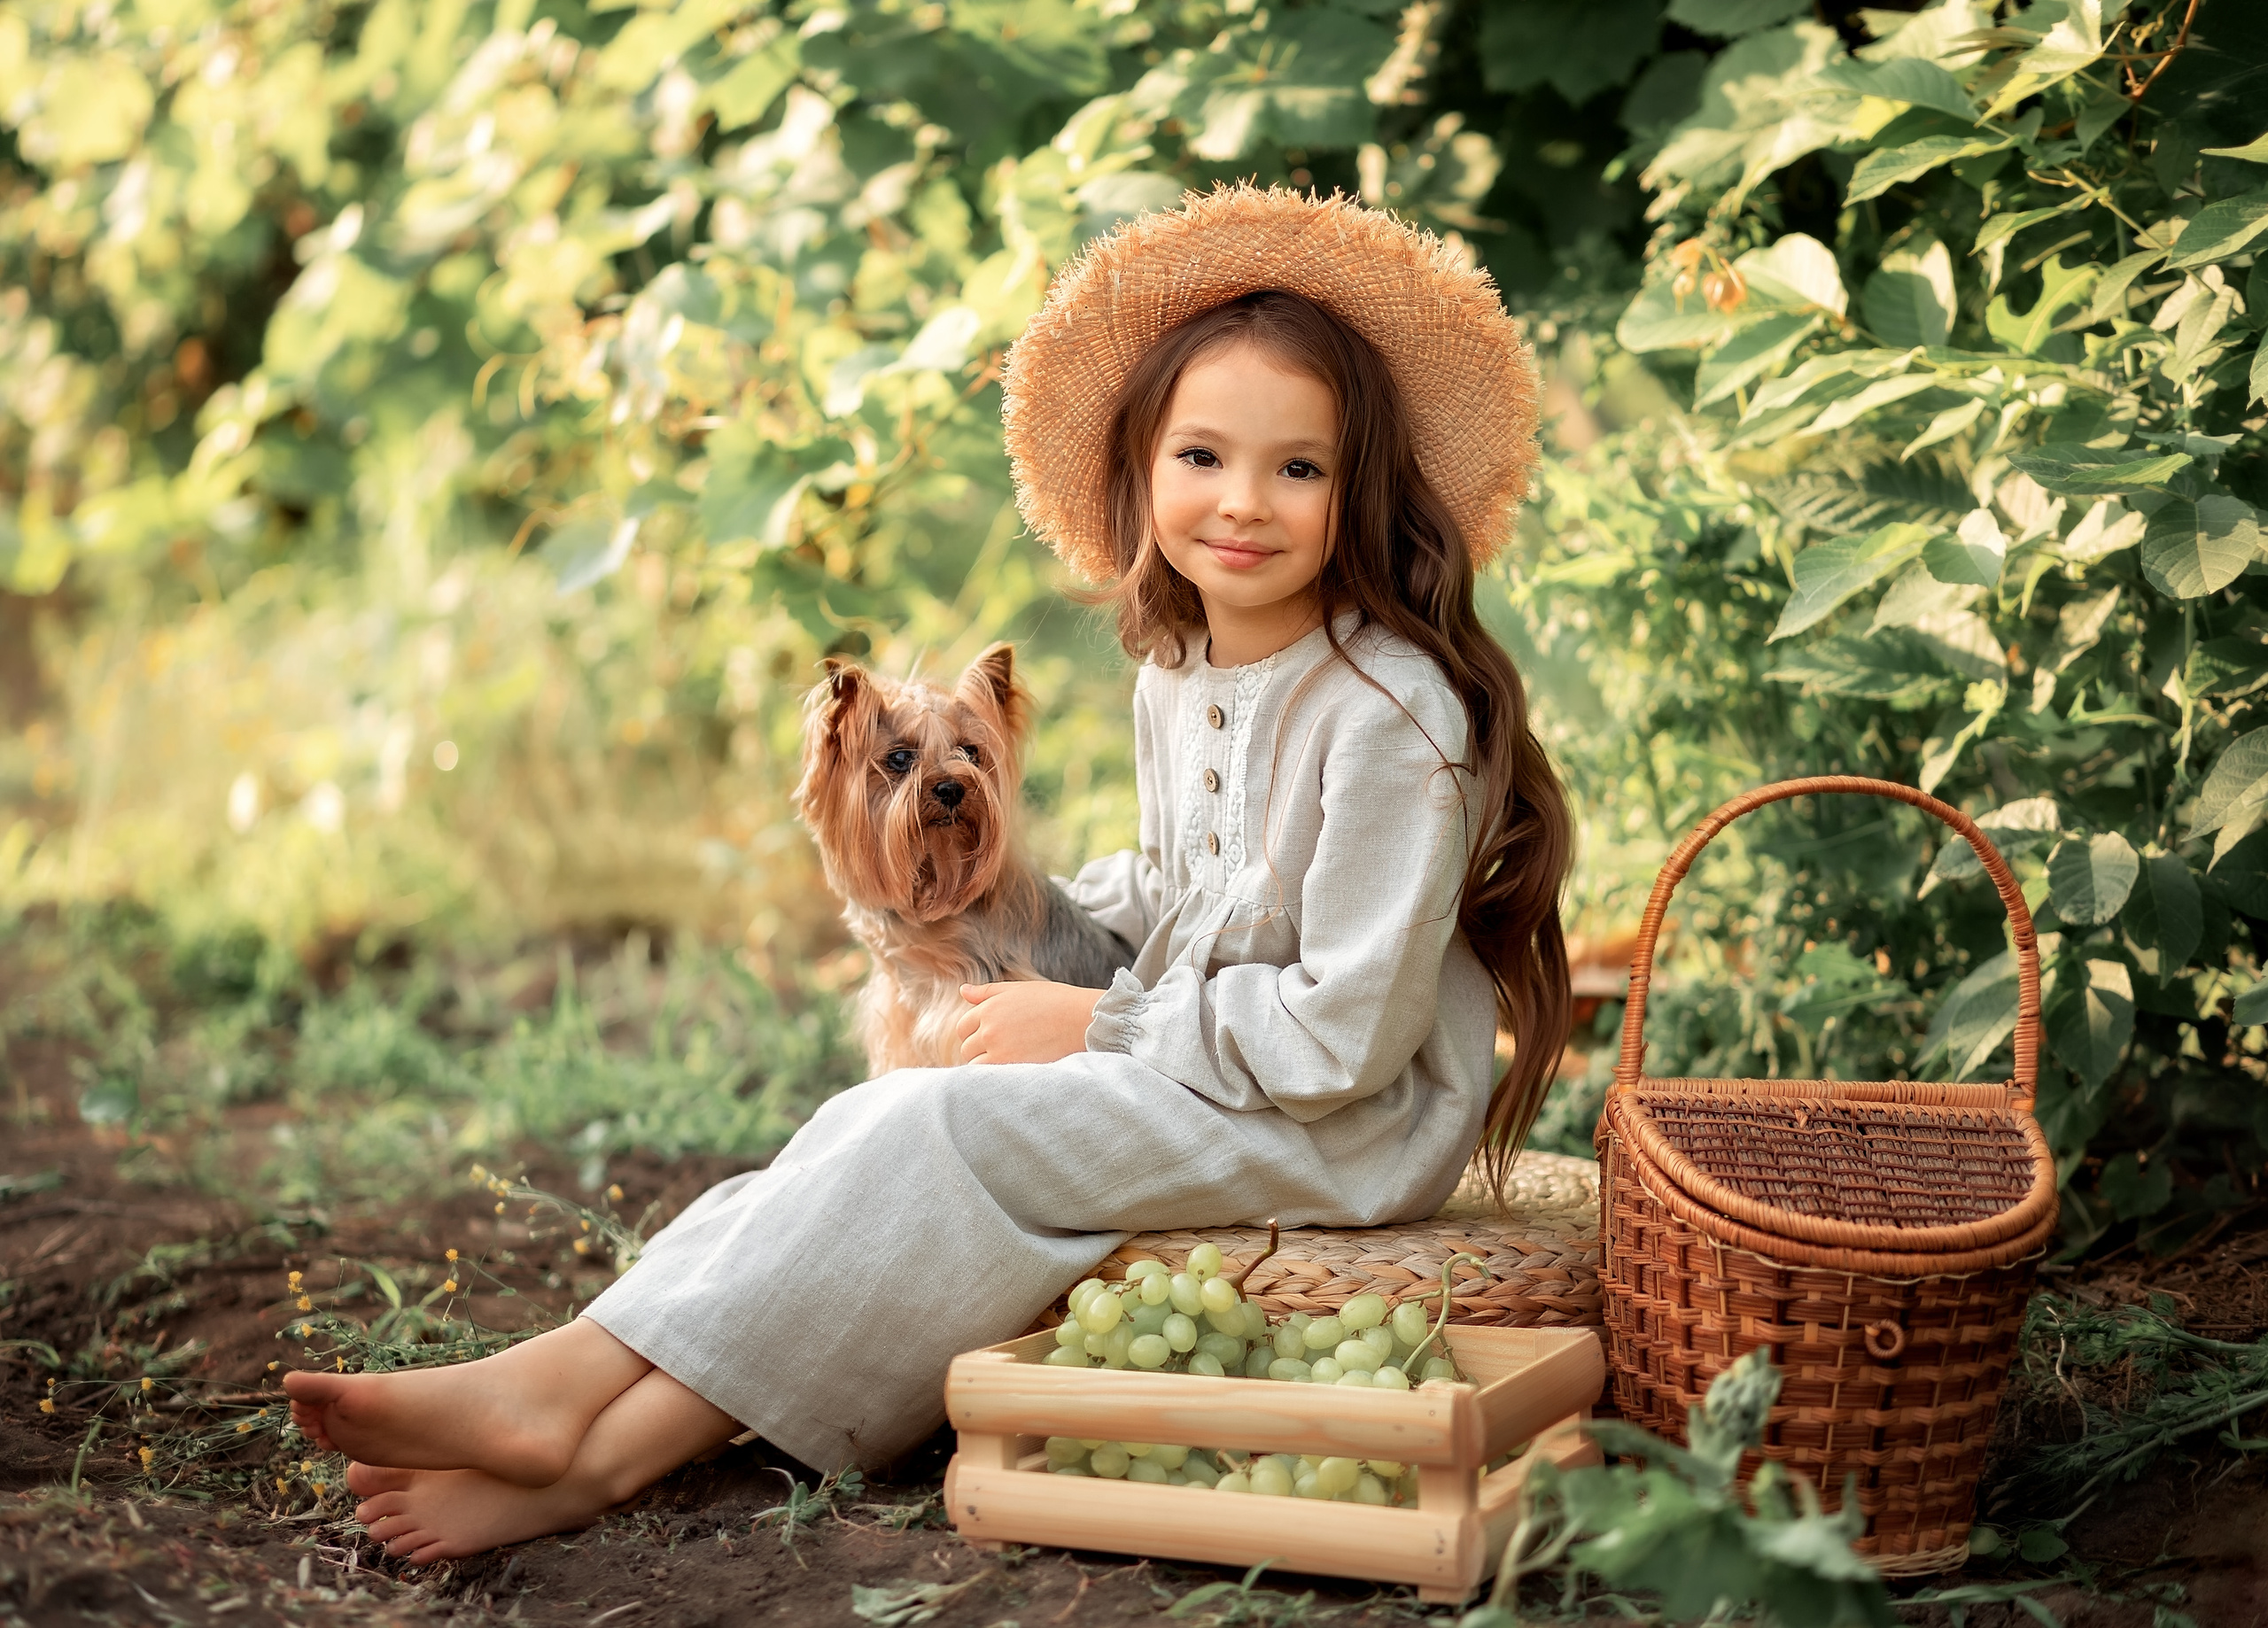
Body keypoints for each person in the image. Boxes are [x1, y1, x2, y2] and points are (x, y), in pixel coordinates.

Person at [284, 183, 1573, 1563]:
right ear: (1143, 466)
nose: (1242, 503)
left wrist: (1095, 1023)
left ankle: (568, 1415)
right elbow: (1182, 888)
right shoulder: (1182, 664)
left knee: (931, 1133)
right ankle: (584, 1428)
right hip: (1218, 1065)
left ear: (1359, 488)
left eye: (1297, 468)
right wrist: (1034, 930)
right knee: (871, 1123)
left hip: (1344, 1120)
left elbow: (1346, 1036)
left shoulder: (1387, 713)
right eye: (1202, 454)